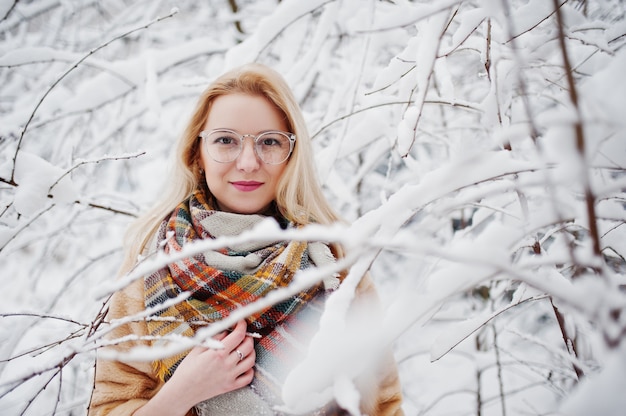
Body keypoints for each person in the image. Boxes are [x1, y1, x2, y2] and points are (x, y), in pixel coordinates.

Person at [88, 63, 403, 416]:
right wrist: (184, 391)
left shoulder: (336, 263)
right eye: (226, 141)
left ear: (292, 155)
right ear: (198, 154)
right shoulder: (150, 268)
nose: (249, 162)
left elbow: (384, 405)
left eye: (269, 142)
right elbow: (108, 407)